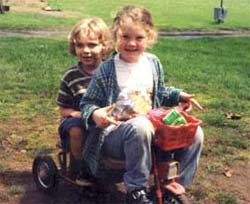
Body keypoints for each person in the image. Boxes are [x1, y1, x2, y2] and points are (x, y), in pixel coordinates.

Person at [80, 5, 204, 204]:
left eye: (139, 38)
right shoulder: (107, 69)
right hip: (116, 135)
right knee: (141, 125)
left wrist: (179, 95)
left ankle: (174, 185)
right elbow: (87, 103)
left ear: (150, 38)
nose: (131, 43)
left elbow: (160, 92)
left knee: (195, 132)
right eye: (125, 37)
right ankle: (136, 190)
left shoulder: (152, 63)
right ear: (115, 36)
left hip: (152, 131)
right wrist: (96, 114)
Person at [56, 17, 112, 177]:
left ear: (104, 46)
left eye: (92, 45)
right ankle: (80, 166)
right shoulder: (71, 76)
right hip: (77, 119)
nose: (86, 50)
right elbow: (63, 108)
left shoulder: (111, 72)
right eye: (80, 45)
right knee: (76, 130)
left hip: (105, 117)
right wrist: (74, 113)